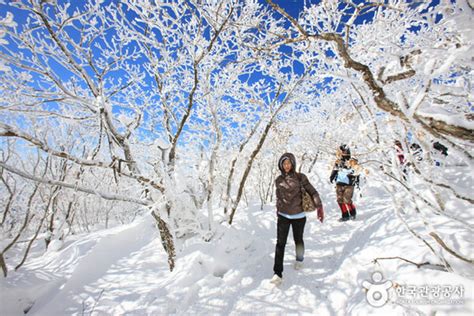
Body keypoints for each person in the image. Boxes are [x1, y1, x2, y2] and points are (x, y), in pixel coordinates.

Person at [271, 152, 324, 285]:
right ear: (281, 165)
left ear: (293, 163)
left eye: (288, 163)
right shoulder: (278, 180)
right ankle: (277, 273)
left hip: (299, 216)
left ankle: (299, 259)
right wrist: (278, 209)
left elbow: (313, 192)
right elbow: (278, 197)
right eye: (284, 163)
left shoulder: (301, 177)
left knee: (298, 239)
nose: (286, 165)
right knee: (280, 244)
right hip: (283, 216)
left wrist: (319, 207)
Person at [329, 145, 359, 222]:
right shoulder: (338, 161)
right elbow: (335, 170)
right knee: (339, 200)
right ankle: (345, 215)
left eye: (345, 151)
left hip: (349, 184)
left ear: (348, 151)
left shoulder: (352, 161)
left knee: (347, 199)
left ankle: (353, 213)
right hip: (339, 182)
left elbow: (357, 172)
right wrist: (331, 177)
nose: (343, 152)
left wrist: (357, 182)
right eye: (342, 151)